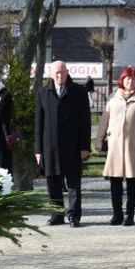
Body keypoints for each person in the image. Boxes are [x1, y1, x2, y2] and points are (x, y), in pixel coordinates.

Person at [35, 60, 91, 227]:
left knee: (73, 182)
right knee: (52, 181)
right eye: (56, 73)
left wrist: (84, 146)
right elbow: (38, 123)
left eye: (63, 72)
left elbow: (85, 121)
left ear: (67, 72)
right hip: (49, 145)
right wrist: (38, 150)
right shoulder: (43, 93)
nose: (60, 76)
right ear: (51, 74)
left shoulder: (79, 91)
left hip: (72, 145)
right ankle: (56, 214)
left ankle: (74, 216)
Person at [97, 66, 135, 226]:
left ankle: (130, 213)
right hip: (115, 146)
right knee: (114, 181)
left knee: (132, 182)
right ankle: (117, 213)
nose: (130, 81)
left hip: (134, 147)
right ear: (122, 80)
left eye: (134, 79)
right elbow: (104, 121)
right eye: (128, 78)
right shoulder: (113, 98)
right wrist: (99, 140)